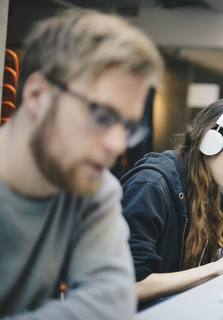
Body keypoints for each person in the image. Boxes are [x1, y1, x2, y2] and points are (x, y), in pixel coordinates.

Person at [0, 9, 162, 319]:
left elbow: (110, 305)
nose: (116, 145)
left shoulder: (92, 188)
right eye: (101, 115)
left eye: (127, 126)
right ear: (36, 95)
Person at [120, 98, 223, 310]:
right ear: (212, 140)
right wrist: (218, 267)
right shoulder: (151, 186)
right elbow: (132, 286)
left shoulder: (206, 192)